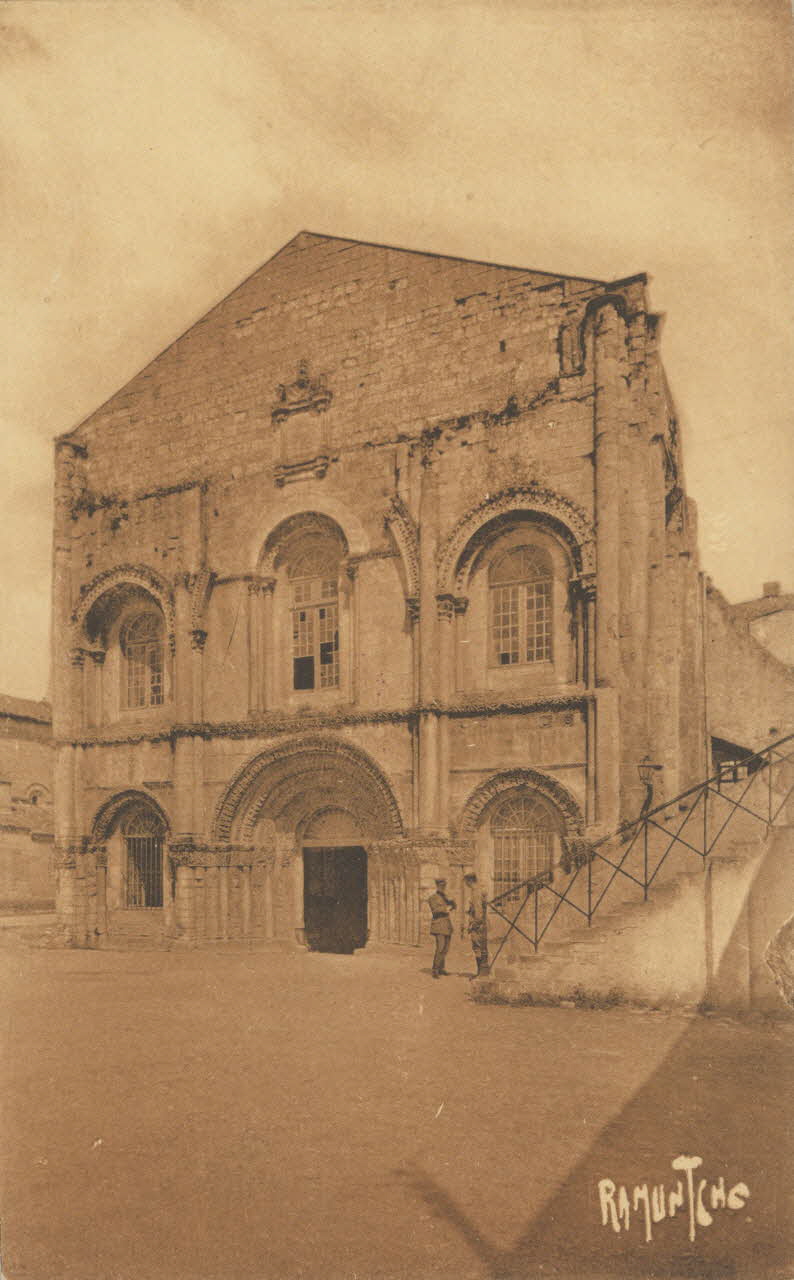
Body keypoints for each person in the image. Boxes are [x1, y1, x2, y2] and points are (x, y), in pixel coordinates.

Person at [427, 877, 456, 977]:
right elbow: (435, 910)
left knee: (446, 948)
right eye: (441, 886)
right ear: (437, 886)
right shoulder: (432, 898)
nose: (442, 887)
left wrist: (452, 902)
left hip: (447, 925)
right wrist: (445, 909)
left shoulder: (445, 897)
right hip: (438, 925)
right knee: (440, 948)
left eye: (444, 886)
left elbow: (453, 906)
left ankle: (441, 968)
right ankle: (435, 970)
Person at [464, 872, 490, 978]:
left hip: (478, 924)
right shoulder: (478, 890)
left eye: (466, 882)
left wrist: (473, 925)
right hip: (480, 923)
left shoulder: (475, 893)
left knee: (478, 948)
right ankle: (481, 972)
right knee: (480, 947)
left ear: (470, 881)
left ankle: (481, 973)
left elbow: (478, 913)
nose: (466, 885)